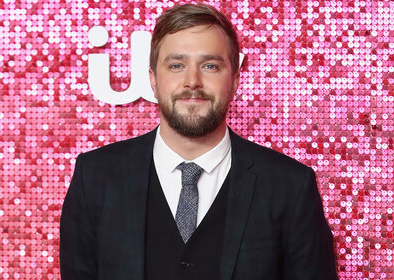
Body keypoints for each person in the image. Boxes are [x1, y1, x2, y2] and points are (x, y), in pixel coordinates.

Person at [60, 3, 338, 280]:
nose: (192, 81)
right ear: (153, 80)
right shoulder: (94, 177)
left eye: (210, 66)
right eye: (177, 65)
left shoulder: (290, 186)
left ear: (235, 80)